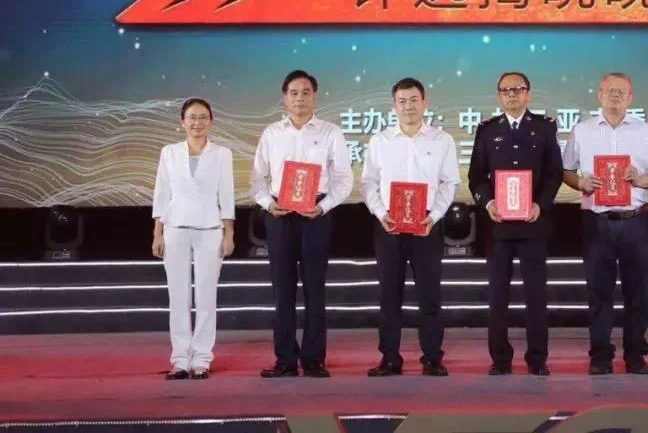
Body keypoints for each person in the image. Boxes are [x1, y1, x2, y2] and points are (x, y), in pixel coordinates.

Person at [562, 72, 648, 375]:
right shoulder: (582, 131)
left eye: (622, 91)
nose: (616, 96)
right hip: (597, 221)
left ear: (631, 97)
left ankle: (635, 355)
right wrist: (580, 183)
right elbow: (566, 170)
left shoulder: (647, 131)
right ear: (600, 94)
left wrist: (644, 178)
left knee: (638, 292)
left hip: (636, 220)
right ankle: (600, 356)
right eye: (610, 90)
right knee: (599, 292)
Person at [252, 70, 353, 378]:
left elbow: (344, 179)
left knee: (314, 290)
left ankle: (313, 359)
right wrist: (268, 204)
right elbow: (257, 179)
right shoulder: (272, 133)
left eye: (306, 92)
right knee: (282, 292)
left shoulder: (331, 132)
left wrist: (323, 207)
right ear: (285, 98)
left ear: (315, 96)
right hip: (280, 216)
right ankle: (284, 360)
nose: (300, 98)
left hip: (315, 216)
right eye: (294, 93)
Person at [361, 77, 458, 377]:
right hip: (389, 224)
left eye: (414, 100)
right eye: (402, 101)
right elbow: (368, 183)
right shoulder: (379, 141)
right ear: (394, 106)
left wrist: (435, 215)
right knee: (389, 296)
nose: (408, 106)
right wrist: (381, 213)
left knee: (430, 295)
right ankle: (390, 358)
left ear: (424, 102)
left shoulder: (442, 140)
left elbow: (449, 183)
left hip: (427, 224)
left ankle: (432, 358)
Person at [468, 72, 563, 376]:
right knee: (498, 295)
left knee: (536, 295)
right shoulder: (487, 130)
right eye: (505, 90)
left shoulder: (544, 127)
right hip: (498, 226)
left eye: (517, 89)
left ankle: (537, 359)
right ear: (499, 96)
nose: (511, 94)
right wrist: (488, 203)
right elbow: (476, 177)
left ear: (528, 94)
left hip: (534, 222)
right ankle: (500, 359)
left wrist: (540, 205)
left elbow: (554, 173)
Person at [151, 97, 235, 380]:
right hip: (175, 227)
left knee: (206, 297)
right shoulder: (169, 152)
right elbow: (162, 193)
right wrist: (157, 233)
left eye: (202, 117)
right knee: (178, 297)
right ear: (182, 122)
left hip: (210, 229)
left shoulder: (222, 154)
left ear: (211, 121)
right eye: (192, 117)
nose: (197, 123)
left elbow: (226, 196)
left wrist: (229, 233)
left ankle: (201, 358)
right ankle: (180, 359)